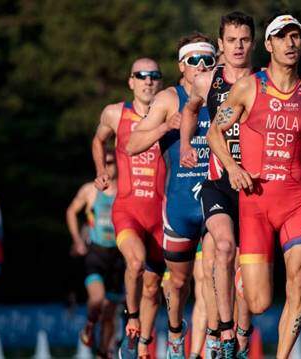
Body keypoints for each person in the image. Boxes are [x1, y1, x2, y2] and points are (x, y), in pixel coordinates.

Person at [206, 14, 301, 358]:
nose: (291, 43)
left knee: (299, 276)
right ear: (268, 45)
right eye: (282, 37)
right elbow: (214, 132)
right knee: (260, 302)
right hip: (256, 205)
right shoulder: (249, 87)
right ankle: (240, 286)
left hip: (295, 202)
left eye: (296, 37)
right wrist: (233, 167)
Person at [126, 33, 215, 359]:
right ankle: (176, 332)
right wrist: (166, 128)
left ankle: (210, 347)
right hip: (179, 206)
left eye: (209, 59)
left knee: (212, 275)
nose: (202, 66)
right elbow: (132, 144)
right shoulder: (167, 99)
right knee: (178, 284)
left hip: (216, 200)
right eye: (195, 60)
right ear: (182, 65)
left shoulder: (225, 94)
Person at [179, 11, 257, 358]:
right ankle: (225, 334)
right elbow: (192, 111)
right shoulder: (207, 81)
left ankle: (242, 333)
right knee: (223, 248)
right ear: (221, 44)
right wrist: (184, 144)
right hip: (218, 182)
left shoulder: (264, 80)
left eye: (244, 40)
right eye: (231, 41)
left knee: (249, 272)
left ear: (253, 43)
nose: (238, 46)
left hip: (256, 186)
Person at [92, 58, 166, 358]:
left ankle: (143, 346)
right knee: (134, 263)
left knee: (153, 286)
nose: (148, 81)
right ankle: (131, 318)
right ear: (131, 81)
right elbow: (98, 141)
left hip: (161, 216)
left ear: (160, 82)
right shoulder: (114, 113)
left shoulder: (170, 112)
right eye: (142, 76)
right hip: (128, 211)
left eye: (154, 76)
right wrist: (101, 170)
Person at [66, 150, 123, 358]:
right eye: (104, 162)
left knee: (109, 314)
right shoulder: (90, 190)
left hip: (117, 257)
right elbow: (71, 211)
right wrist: (77, 240)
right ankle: (89, 325)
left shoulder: (125, 190)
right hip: (95, 254)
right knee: (97, 299)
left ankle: (101, 352)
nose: (108, 166)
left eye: (111, 162)